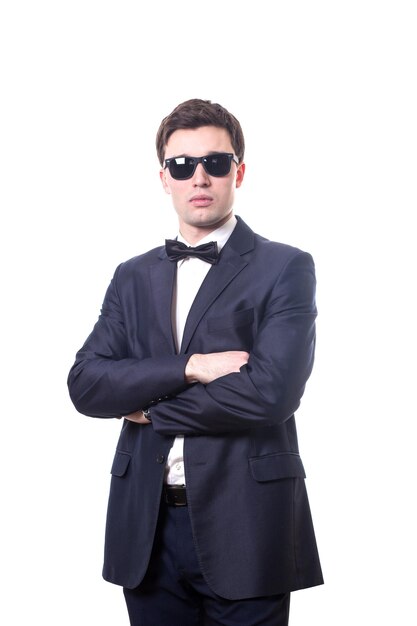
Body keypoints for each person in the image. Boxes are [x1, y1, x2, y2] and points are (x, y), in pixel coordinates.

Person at [68, 98, 323, 626]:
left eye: (216, 162)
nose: (199, 177)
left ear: (239, 171)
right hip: (146, 528)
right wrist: (190, 367)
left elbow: (270, 391)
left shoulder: (285, 267)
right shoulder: (131, 276)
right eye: (182, 165)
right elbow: (88, 383)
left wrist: (151, 410)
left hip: (247, 525)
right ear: (164, 178)